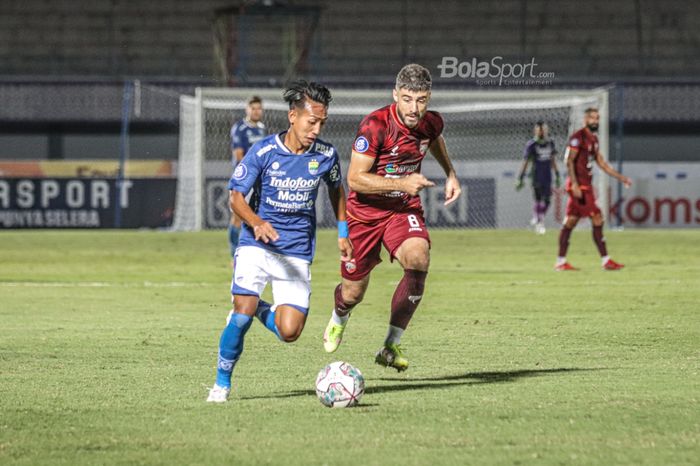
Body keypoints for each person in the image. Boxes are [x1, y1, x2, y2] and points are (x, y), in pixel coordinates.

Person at [207, 81, 353, 403]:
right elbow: (235, 198)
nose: (316, 129)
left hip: (297, 249)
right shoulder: (264, 151)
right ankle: (221, 384)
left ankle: (255, 306)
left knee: (290, 332)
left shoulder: (326, 155)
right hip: (257, 244)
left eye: (321, 123)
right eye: (310, 121)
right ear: (292, 116)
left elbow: (336, 190)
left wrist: (343, 233)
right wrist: (257, 222)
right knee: (241, 316)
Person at [321, 64, 462, 372]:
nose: (414, 108)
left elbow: (434, 138)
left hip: (402, 209)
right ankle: (339, 317)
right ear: (396, 95)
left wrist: (450, 173)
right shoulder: (375, 126)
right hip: (365, 215)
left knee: (418, 257)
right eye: (408, 99)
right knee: (352, 292)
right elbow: (355, 179)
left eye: (421, 100)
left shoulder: (431, 122)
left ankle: (390, 345)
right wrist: (401, 182)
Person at [555, 107, 632, 271]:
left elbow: (602, 164)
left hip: (585, 185)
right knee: (597, 218)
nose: (595, 121)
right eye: (592, 118)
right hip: (580, 187)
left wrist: (621, 178)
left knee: (570, 222)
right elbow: (568, 161)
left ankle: (561, 262)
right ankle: (606, 261)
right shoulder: (578, 137)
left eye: (597, 118)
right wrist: (574, 184)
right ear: (585, 120)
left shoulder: (594, 140)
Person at [228, 96, 266, 262]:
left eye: (259, 108)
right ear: (247, 109)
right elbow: (238, 155)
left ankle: (255, 251)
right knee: (238, 215)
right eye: (253, 108)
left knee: (258, 214)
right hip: (245, 179)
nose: (256, 111)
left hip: (261, 179)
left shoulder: (262, 128)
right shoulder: (240, 128)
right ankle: (234, 254)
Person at [515, 121, 560, 234]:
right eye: (539, 129)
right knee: (538, 199)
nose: (541, 131)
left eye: (543, 129)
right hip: (536, 175)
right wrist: (521, 177)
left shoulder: (550, 143)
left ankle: (537, 218)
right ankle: (540, 223)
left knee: (548, 201)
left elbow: (553, 160)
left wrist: (557, 174)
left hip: (547, 176)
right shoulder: (531, 144)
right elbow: (526, 162)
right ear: (535, 130)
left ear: (546, 130)